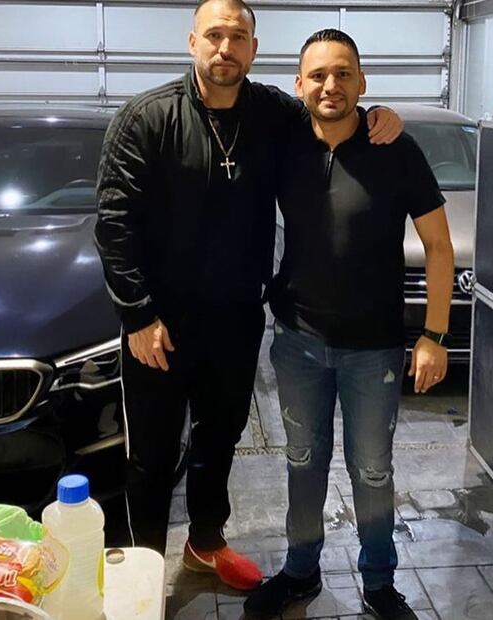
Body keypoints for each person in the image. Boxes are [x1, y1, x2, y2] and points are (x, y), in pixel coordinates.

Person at [95, 0, 403, 592]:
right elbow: (113, 224)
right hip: (159, 325)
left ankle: (205, 544)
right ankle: (143, 572)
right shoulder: (146, 118)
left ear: (254, 49)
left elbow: (329, 110)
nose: (225, 48)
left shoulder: (274, 114)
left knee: (219, 440)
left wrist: (378, 116)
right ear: (192, 42)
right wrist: (136, 315)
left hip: (237, 320)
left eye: (237, 37)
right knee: (152, 456)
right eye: (214, 35)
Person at [243, 29, 454, 620]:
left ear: (362, 82)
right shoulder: (284, 144)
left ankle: (379, 581)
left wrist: (434, 335)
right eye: (318, 75)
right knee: (303, 461)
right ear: (299, 85)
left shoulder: (396, 149)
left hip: (374, 349)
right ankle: (300, 571)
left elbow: (439, 246)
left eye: (343, 74)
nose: (330, 85)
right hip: (297, 342)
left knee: (373, 469)